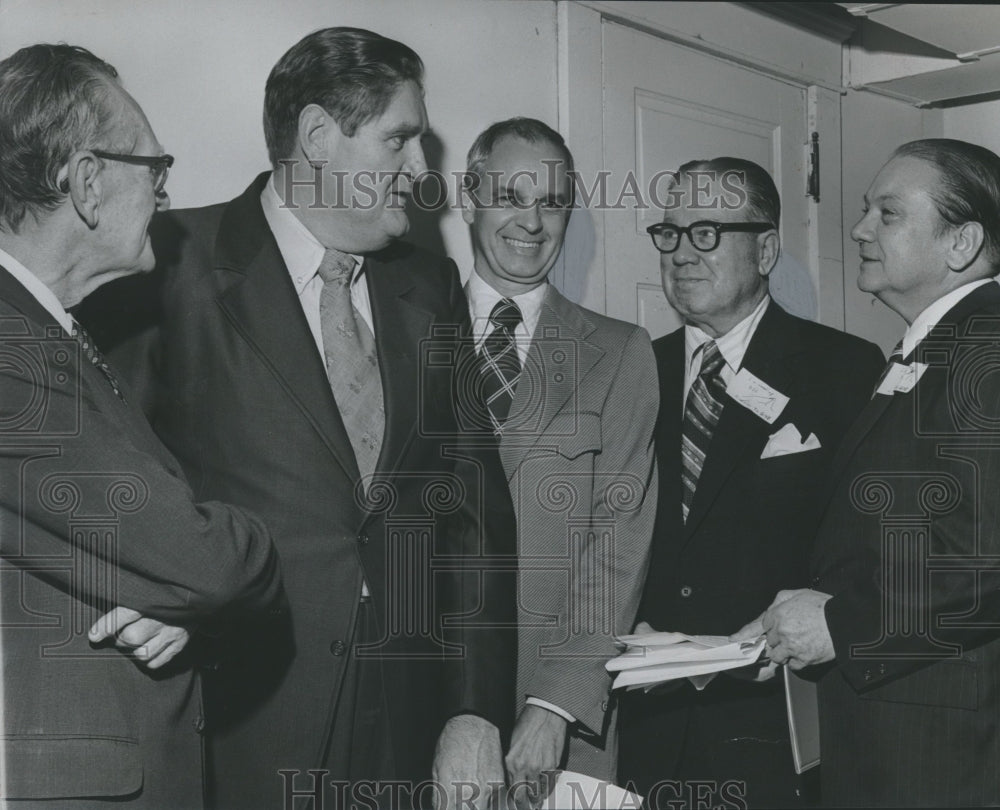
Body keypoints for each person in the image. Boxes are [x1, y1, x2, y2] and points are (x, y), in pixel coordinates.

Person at [82, 27, 516, 810]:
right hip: (236, 721)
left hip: (408, 724)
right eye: (400, 140)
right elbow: (105, 474)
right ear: (319, 136)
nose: (422, 174)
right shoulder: (169, 262)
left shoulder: (432, 285)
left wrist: (474, 707)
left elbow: (474, 510)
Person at [0, 43, 281, 808]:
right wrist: (227, 557)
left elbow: (152, 558)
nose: (165, 196)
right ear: (88, 183)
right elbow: (206, 559)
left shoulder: (53, 335)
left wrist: (176, 602)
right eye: (155, 171)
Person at [738, 139, 1000, 807]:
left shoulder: (985, 350)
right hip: (898, 734)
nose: (859, 229)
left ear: (962, 242)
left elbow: (983, 560)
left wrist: (843, 624)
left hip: (939, 757)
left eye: (888, 213)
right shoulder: (936, 349)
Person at [618, 158, 883, 809]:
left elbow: (863, 549)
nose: (682, 253)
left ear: (765, 249)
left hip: (773, 733)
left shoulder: (843, 369)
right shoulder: (631, 371)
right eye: (670, 233)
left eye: (707, 232)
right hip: (647, 731)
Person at [460, 118, 658, 807]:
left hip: (555, 722)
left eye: (551, 202)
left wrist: (553, 704)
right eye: (511, 195)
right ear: (469, 198)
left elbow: (618, 546)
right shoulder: (405, 331)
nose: (532, 222)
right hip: (425, 703)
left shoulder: (620, 352)